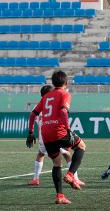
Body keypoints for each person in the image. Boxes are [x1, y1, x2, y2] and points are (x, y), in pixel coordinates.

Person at [27, 70, 86, 204]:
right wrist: (69, 129)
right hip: (59, 131)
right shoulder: (64, 93)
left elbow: (32, 115)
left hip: (46, 134)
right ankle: (71, 175)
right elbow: (64, 112)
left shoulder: (46, 97)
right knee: (81, 146)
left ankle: (60, 196)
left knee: (56, 163)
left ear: (53, 83)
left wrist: (30, 132)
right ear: (66, 82)